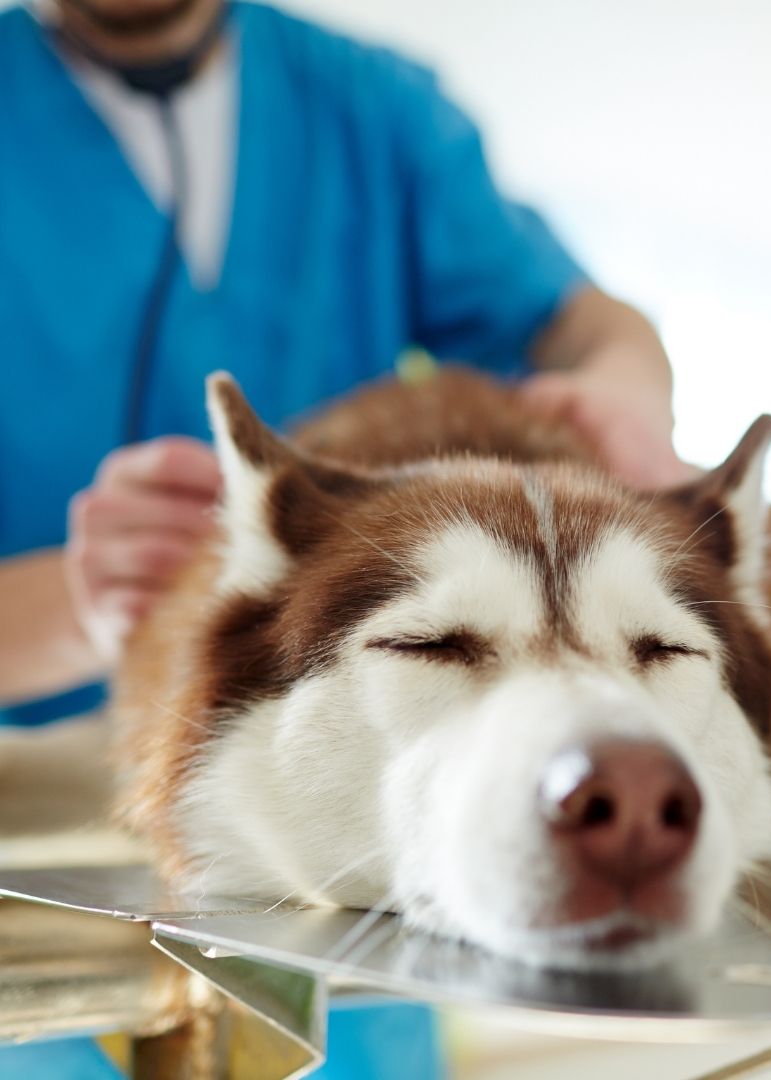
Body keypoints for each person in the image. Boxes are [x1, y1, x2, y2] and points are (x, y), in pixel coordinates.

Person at [0, 0, 687, 1074]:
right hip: (46, 880)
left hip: (352, 888)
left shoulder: (374, 114)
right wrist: (83, 603)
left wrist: (625, 393)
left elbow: (595, 327)